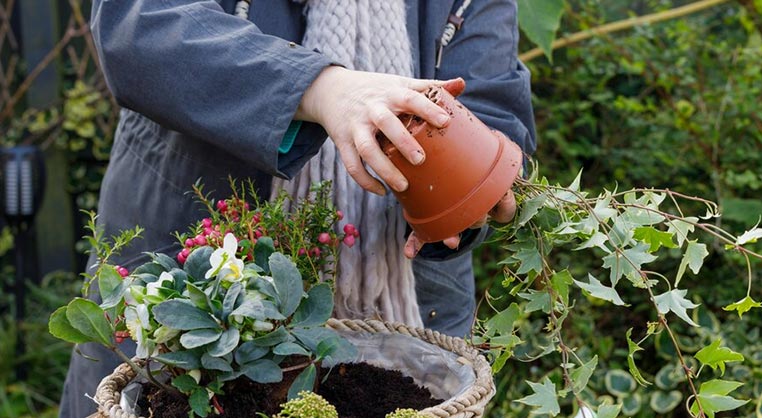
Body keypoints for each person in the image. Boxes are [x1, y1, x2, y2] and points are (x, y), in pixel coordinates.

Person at [59, 1, 536, 417]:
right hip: (200, 288)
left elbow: (493, 106)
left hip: (413, 314)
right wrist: (322, 89)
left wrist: (472, 193)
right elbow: (140, 25)